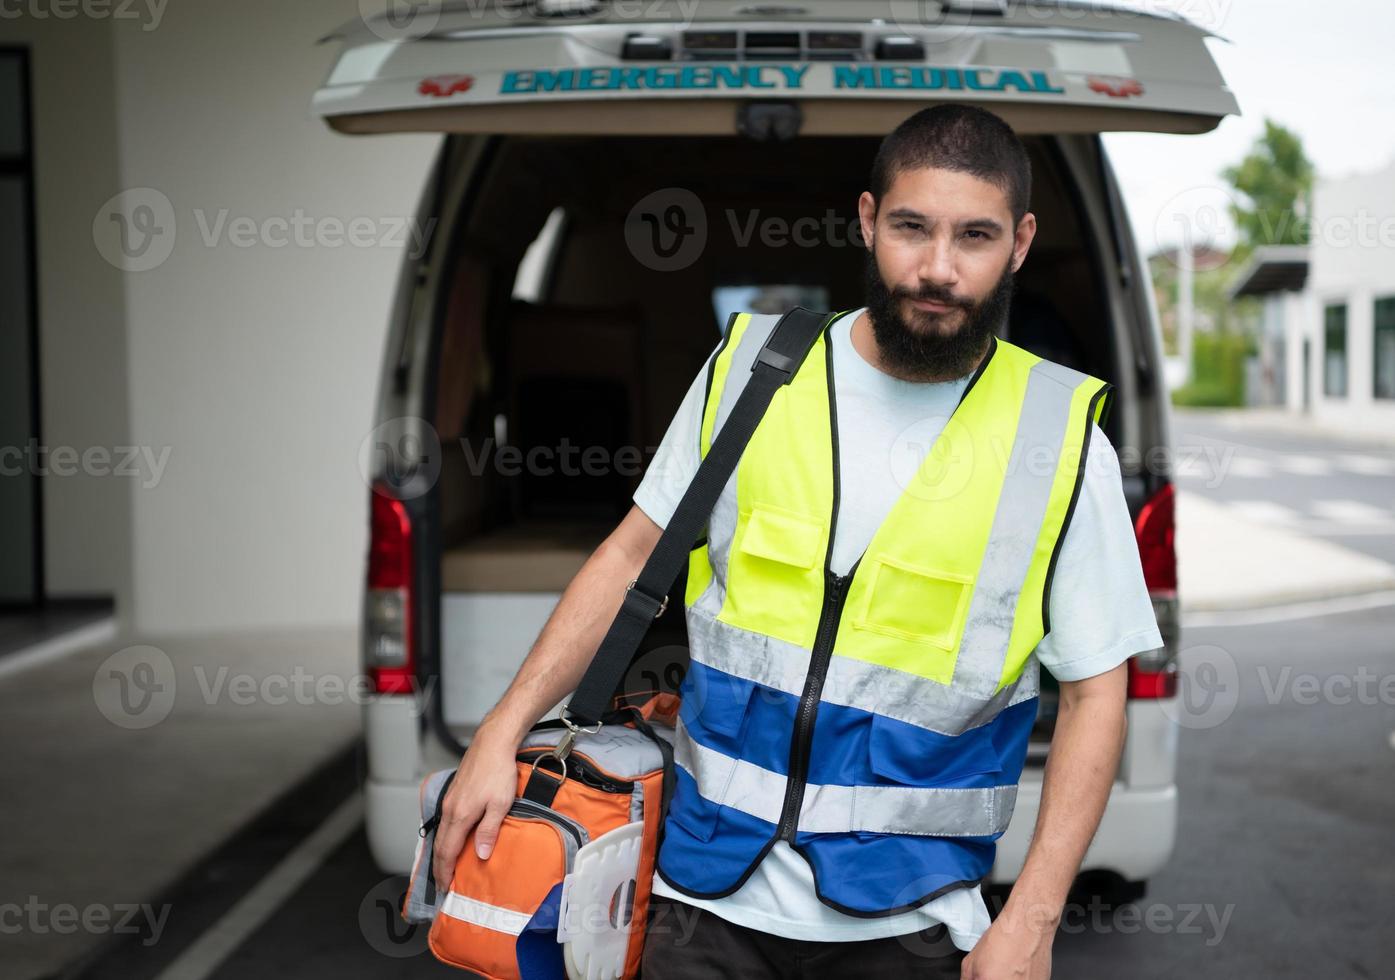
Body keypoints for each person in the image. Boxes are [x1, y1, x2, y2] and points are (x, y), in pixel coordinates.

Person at [430, 104, 1164, 980]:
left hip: (909, 924)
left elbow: (1095, 693)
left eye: (974, 235)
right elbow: (629, 556)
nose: (937, 268)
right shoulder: (748, 370)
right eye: (909, 227)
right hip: (699, 905)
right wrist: (496, 734)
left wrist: (1033, 921)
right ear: (865, 220)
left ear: (1018, 242)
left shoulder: (1059, 436)